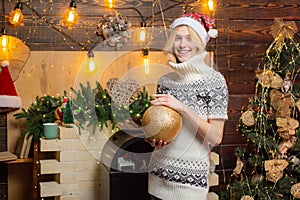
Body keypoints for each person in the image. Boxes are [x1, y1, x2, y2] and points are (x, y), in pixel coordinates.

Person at [146, 13, 229, 200]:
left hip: (189, 185)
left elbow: (215, 137)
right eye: (177, 38)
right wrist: (155, 138)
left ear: (200, 42)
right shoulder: (165, 81)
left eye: (189, 38)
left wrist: (182, 107)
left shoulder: (214, 81)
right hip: (157, 176)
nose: (182, 45)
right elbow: (164, 127)